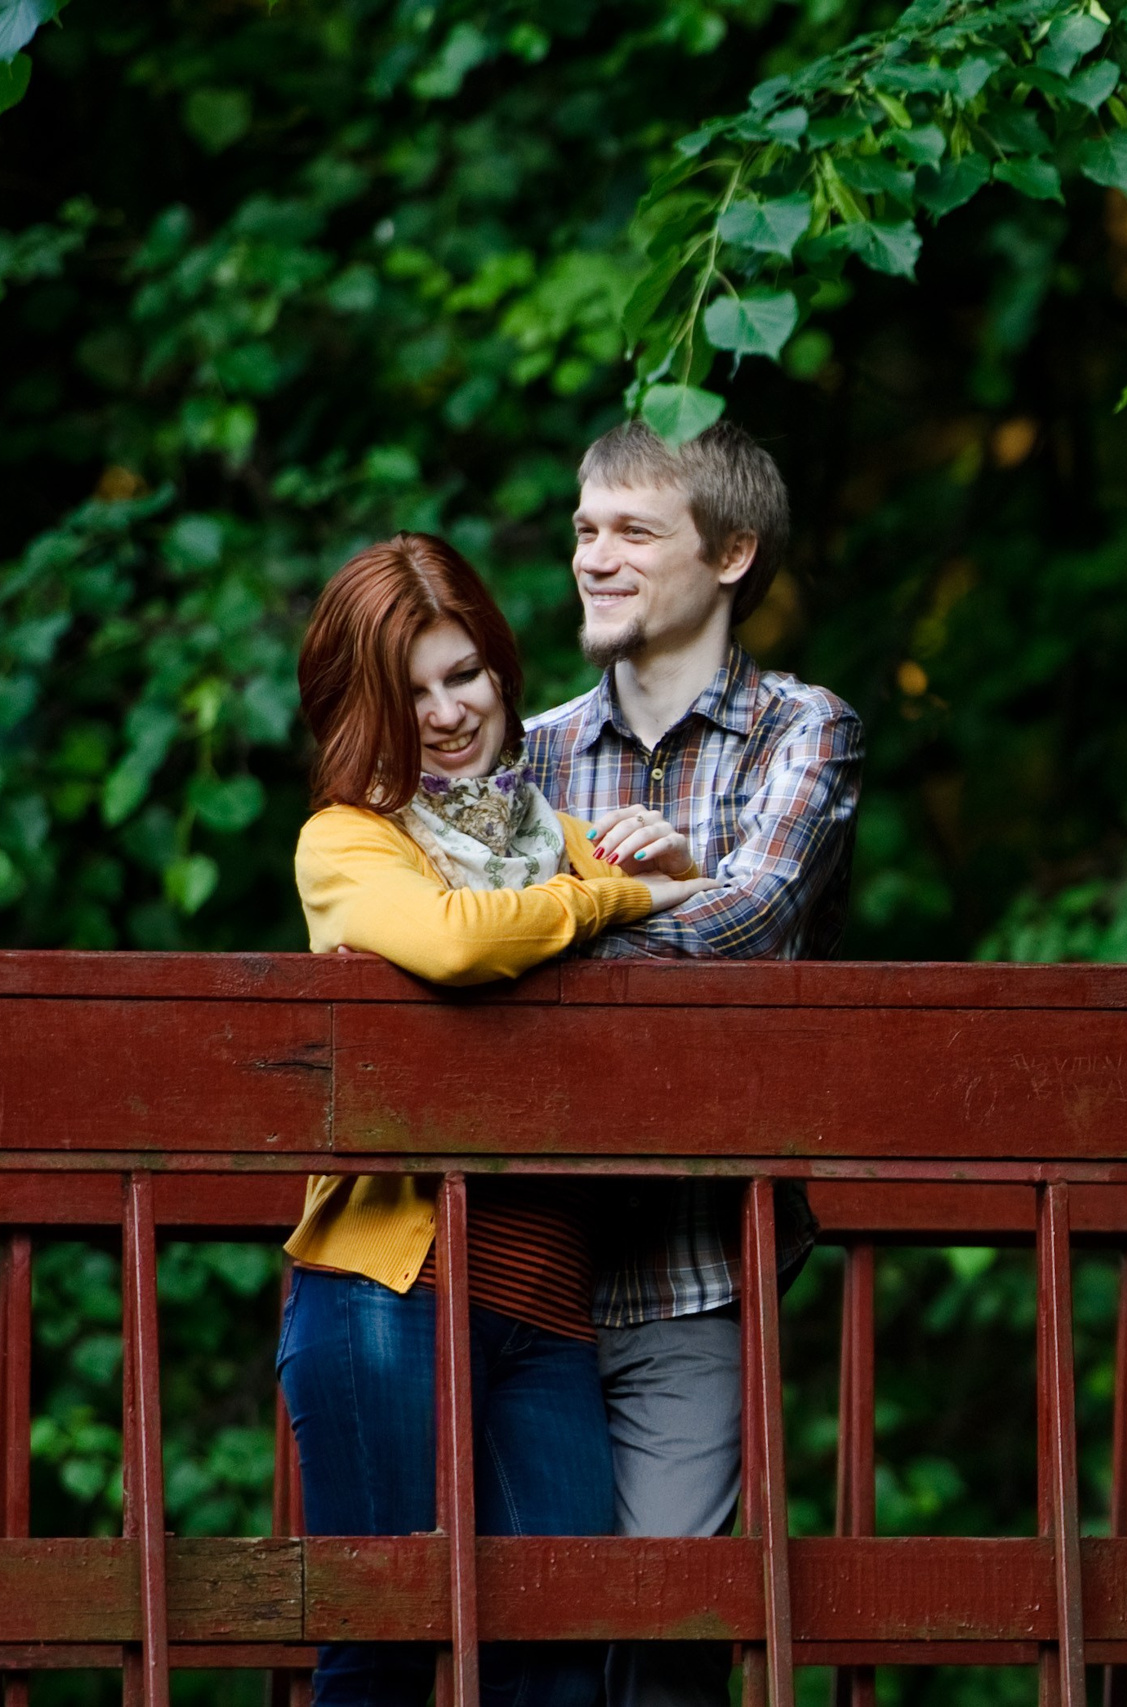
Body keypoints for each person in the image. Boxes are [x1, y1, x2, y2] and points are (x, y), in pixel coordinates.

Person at [277, 532, 717, 1707]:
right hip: (386, 1294)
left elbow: (685, 935)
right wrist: (621, 895)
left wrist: (676, 874)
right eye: (406, 691)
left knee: (556, 1663)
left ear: (502, 669)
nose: (446, 713)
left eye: (462, 674)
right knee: (379, 1649)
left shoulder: (551, 838)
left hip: (541, 1300)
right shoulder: (349, 842)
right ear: (358, 706)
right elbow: (456, 940)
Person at [523, 420, 862, 1707]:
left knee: (661, 1641)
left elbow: (758, 919)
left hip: (695, 1273)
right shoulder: (530, 750)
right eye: (583, 529)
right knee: (526, 1642)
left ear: (729, 553)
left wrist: (601, 908)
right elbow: (465, 943)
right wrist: (647, 895)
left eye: (630, 532)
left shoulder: (802, 730)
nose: (592, 560)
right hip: (527, 1267)